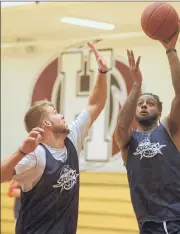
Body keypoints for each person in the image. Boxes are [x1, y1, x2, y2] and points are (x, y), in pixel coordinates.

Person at [1, 41, 108, 234]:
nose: (62, 116)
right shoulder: (35, 156)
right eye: (56, 112)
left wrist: (101, 74)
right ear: (46, 124)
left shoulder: (72, 138)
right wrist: (21, 152)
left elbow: (95, 104)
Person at [115, 19, 180, 233]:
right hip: (150, 223)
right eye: (140, 104)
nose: (143, 106)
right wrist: (136, 85)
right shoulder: (127, 141)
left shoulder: (170, 129)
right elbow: (121, 124)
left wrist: (170, 51)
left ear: (159, 111)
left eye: (149, 103)